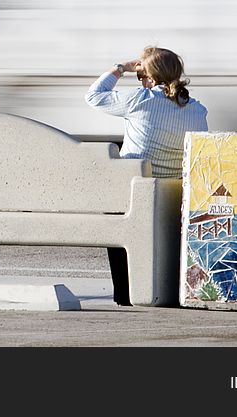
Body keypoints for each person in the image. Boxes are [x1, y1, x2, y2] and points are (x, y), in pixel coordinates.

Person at [84, 46, 208, 306]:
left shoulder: (140, 99)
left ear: (150, 79)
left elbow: (94, 96)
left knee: (114, 214)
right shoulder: (198, 111)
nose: (139, 81)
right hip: (175, 195)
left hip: (136, 193)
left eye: (140, 77)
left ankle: (125, 294)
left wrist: (121, 68)